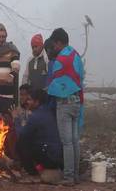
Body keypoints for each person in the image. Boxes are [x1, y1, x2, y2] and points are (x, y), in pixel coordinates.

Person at [47, 28, 84, 186]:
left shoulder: (60, 59)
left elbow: (55, 84)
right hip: (76, 101)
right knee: (75, 141)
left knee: (67, 142)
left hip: (64, 103)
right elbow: (80, 78)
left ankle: (68, 177)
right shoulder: (76, 55)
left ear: (58, 42)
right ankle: (75, 175)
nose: (53, 48)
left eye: (54, 44)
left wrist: (46, 93)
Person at [16, 89, 63, 178]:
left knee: (20, 144)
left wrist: (16, 120)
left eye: (29, 99)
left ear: (37, 102)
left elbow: (21, 134)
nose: (27, 102)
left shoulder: (36, 116)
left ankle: (32, 173)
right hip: (56, 156)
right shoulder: (47, 111)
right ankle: (39, 167)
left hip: (50, 157)